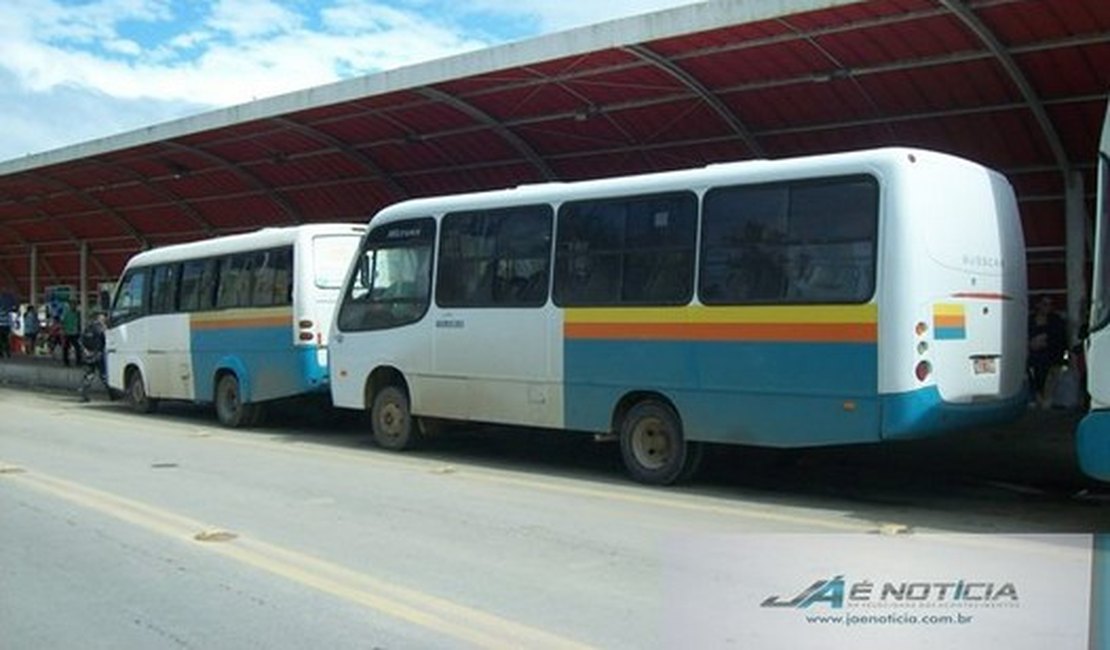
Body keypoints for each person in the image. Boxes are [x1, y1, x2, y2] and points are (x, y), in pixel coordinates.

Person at [1028, 295, 1067, 407]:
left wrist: (1046, 342)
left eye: (1050, 304)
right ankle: (1035, 395)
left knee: (1044, 366)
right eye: (1045, 304)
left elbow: (1060, 339)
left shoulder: (1055, 320)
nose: (1048, 307)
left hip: (1050, 354)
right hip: (1032, 353)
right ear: (1038, 305)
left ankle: (1042, 396)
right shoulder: (1030, 320)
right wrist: (1031, 343)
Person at [78, 312, 109, 402]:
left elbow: (80, 341)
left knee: (88, 376)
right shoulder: (101, 329)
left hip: (89, 355)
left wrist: (86, 351)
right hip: (99, 355)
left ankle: (84, 395)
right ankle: (113, 395)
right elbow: (106, 341)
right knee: (104, 376)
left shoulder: (88, 328)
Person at [60, 301, 80, 366]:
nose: (74, 307)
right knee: (66, 348)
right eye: (72, 305)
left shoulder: (77, 313)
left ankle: (78, 361)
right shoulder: (66, 313)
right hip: (67, 333)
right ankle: (66, 362)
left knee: (77, 347)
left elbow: (78, 323)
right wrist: (63, 330)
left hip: (75, 332)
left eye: (75, 305)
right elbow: (62, 322)